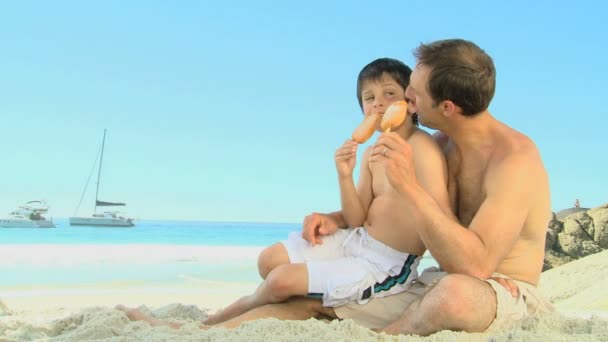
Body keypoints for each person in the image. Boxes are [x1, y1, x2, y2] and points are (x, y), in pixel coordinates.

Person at [118, 39, 554, 335]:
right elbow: (381, 213)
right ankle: (195, 331)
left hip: (496, 288)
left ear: (447, 107)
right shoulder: (443, 144)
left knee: (456, 296)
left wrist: (409, 186)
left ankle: (385, 336)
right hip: (435, 280)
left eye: (412, 93)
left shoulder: (513, 161)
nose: (405, 100)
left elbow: (475, 267)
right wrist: (338, 216)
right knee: (312, 301)